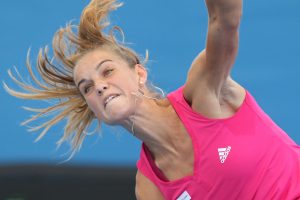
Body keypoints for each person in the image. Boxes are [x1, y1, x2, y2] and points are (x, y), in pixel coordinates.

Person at [4, 0, 300, 199]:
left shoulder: (203, 91)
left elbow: (225, 20)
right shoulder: (148, 187)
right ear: (95, 111)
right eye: (88, 88)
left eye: (107, 71)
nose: (101, 87)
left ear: (140, 74)